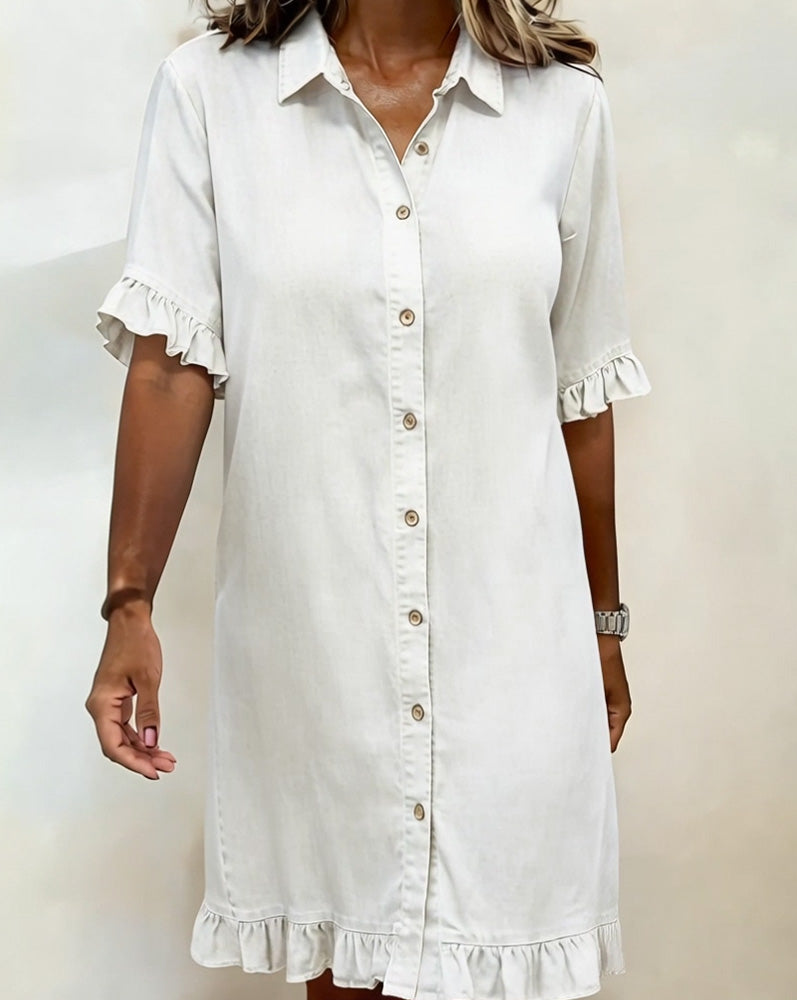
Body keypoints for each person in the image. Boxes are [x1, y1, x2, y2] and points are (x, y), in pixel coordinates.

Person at [85, 1, 652, 999]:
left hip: (516, 656)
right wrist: (128, 604)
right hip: (317, 658)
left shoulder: (563, 107)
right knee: (349, 968)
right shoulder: (210, 95)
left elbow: (581, 397)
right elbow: (170, 368)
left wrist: (602, 627)